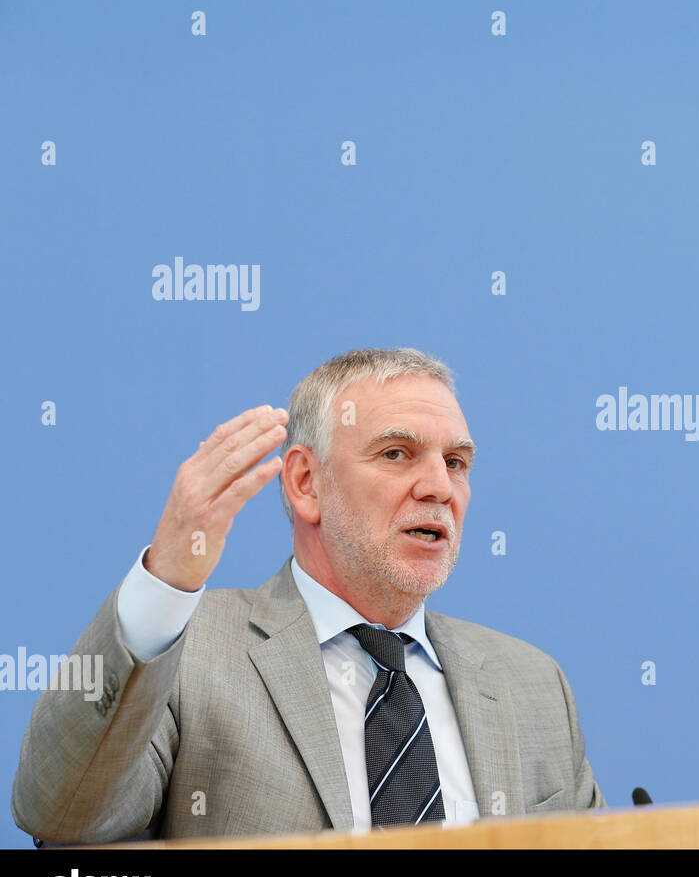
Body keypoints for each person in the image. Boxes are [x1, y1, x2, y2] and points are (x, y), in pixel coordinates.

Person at [13, 347, 604, 843]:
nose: (439, 487)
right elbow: (64, 814)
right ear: (305, 482)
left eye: (457, 462)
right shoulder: (189, 654)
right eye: (396, 454)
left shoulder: (533, 684)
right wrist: (167, 580)